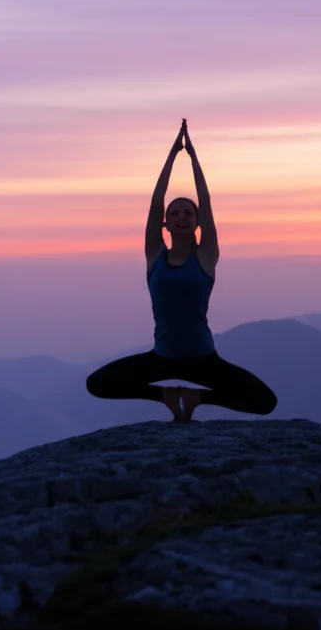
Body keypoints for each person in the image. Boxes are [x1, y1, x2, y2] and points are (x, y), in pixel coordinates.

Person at [86, 120, 277, 422]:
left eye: (188, 213)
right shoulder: (154, 256)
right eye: (173, 214)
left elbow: (207, 201)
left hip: (204, 360)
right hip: (161, 359)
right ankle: (164, 395)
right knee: (96, 384)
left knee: (265, 401)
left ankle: (197, 397)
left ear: (197, 221)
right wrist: (173, 154)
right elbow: (155, 202)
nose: (181, 217)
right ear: (165, 224)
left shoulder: (206, 256)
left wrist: (194, 158)